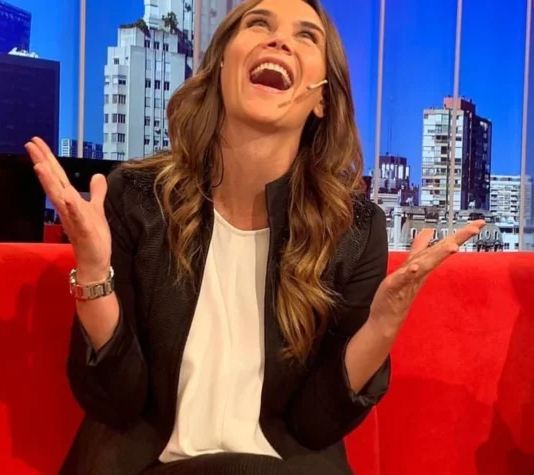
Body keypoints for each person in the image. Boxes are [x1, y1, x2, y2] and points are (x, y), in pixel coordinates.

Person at [27, 0, 484, 473]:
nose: (279, 39)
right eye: (258, 24)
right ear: (222, 65)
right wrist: (95, 273)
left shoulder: (354, 230)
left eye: (306, 36)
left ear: (322, 99)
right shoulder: (138, 197)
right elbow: (117, 401)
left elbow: (315, 425)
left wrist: (383, 325)